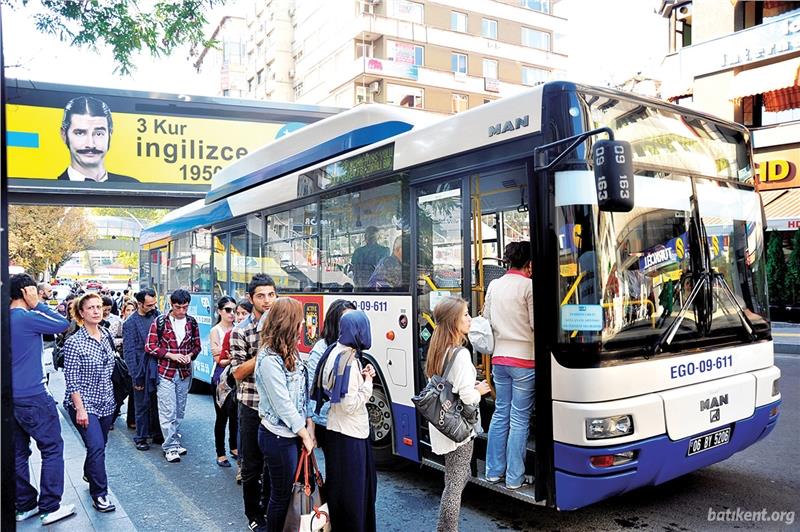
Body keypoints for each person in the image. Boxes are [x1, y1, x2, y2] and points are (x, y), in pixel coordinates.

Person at [9, 274, 76, 525]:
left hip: (10, 398)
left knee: (17, 452)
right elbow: (62, 324)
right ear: (26, 291)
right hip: (34, 395)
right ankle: (50, 507)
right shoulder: (27, 317)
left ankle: (24, 504)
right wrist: (37, 303)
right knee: (52, 448)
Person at [426, 297, 491, 531]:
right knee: (455, 484)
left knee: (453, 479)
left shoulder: (438, 349)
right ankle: (447, 529)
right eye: (465, 315)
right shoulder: (461, 355)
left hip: (443, 423)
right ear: (454, 321)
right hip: (458, 429)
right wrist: (479, 390)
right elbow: (467, 398)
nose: (469, 318)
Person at [255, 298, 315, 532]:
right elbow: (283, 404)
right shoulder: (269, 359)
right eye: (299, 321)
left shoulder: (291, 352)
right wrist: (305, 434)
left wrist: (309, 424)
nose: (303, 325)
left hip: (293, 434)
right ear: (290, 324)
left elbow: (302, 394)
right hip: (277, 436)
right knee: (281, 496)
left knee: (285, 492)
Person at [483, 241, 535, 490]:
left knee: (501, 412)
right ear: (529, 263)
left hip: (499, 360)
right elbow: (536, 325)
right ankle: (514, 478)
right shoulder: (529, 286)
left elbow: (486, 320)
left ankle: (493, 472)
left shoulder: (494, 285)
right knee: (519, 418)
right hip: (525, 361)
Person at [321, 311, 378, 532]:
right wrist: (368, 382)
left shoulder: (334, 351)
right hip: (352, 434)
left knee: (341, 492)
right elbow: (350, 404)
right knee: (356, 495)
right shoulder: (348, 362)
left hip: (336, 430)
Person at [62, 293, 118, 513]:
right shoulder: (74, 342)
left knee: (99, 446)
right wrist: (80, 409)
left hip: (106, 401)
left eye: (99, 307)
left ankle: (90, 472)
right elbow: (72, 380)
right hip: (84, 403)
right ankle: (100, 494)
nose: (96, 311)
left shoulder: (105, 334)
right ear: (81, 313)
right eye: (91, 308)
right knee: (95, 446)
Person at [230, 274, 278, 531]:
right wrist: (264, 351)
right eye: (261, 295)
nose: (267, 300)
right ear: (251, 299)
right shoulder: (241, 332)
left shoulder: (282, 327)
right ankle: (253, 514)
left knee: (274, 464)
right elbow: (236, 373)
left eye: (271, 294)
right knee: (251, 465)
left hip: (277, 408)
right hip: (251, 406)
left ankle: (270, 508)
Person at [145, 289, 202, 463]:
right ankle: (169, 446)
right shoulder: (160, 322)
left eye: (185, 307)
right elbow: (150, 346)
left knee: (179, 410)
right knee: (167, 410)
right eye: (178, 307)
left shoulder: (192, 322)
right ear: (171, 305)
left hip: (184, 372)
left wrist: (190, 355)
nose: (181, 311)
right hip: (165, 372)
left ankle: (174, 441)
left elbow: (197, 346)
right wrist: (170, 355)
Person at [307, 299, 356, 452]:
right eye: (344, 320)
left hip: (348, 419)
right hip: (327, 421)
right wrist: (310, 427)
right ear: (334, 323)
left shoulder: (353, 346)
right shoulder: (321, 350)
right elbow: (311, 390)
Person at [57, 96, 138, 183]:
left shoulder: (133, 186)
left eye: (99, 134)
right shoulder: (51, 187)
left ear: (110, 134)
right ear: (64, 135)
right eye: (80, 133)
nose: (91, 144)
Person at [123, 288, 162, 451]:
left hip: (158, 365)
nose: (153, 307)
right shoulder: (130, 323)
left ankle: (157, 433)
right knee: (142, 404)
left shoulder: (157, 316)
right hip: (141, 367)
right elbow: (129, 351)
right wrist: (135, 376)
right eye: (149, 305)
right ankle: (141, 436)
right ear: (139, 304)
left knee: (158, 402)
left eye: (154, 304)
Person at [210, 295, 238, 467]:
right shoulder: (216, 331)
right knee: (222, 417)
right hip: (220, 379)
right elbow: (218, 359)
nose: (232, 314)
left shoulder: (238, 328)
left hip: (236, 376)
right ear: (220, 311)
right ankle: (220, 453)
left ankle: (234, 447)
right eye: (228, 310)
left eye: (234, 310)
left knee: (236, 417)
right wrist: (233, 357)